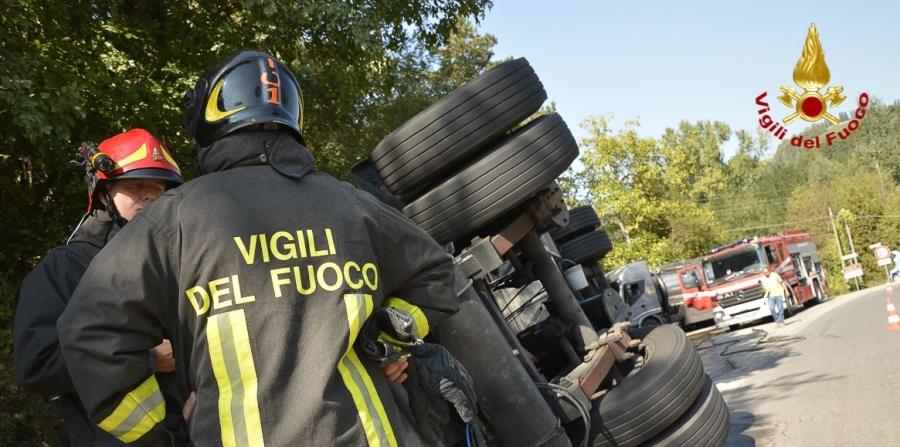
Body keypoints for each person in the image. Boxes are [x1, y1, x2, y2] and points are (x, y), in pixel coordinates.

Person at [58, 50, 460, 446]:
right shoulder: (352, 205)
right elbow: (437, 276)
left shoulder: (173, 221)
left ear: (206, 118)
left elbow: (90, 330)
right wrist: (383, 341)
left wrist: (160, 432)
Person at [14, 128, 185, 446]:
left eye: (159, 189)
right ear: (103, 192)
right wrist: (148, 358)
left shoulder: (180, 263)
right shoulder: (65, 269)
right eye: (136, 186)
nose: (150, 197)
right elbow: (37, 366)